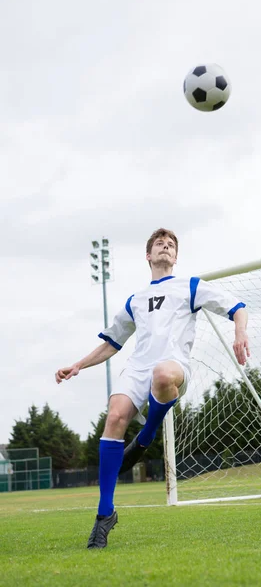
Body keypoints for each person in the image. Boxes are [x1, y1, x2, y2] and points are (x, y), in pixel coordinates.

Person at [55, 228, 250, 549]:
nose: (166, 247)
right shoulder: (135, 300)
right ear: (148, 255)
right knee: (115, 416)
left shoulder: (190, 286)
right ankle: (105, 515)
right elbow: (112, 342)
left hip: (173, 368)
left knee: (161, 374)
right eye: (160, 244)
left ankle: (145, 436)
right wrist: (78, 365)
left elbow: (238, 306)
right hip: (137, 368)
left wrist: (240, 332)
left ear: (176, 257)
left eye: (171, 245)